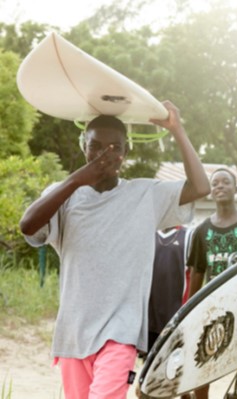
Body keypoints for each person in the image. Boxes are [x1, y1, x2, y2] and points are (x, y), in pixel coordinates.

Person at [19, 101, 210, 399]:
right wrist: (76, 180)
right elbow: (28, 226)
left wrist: (177, 129)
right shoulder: (64, 195)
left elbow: (200, 187)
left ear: (126, 151)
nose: (104, 155)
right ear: (83, 146)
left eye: (114, 147)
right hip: (73, 335)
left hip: (121, 333)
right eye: (95, 146)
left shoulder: (146, 194)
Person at [187, 167, 237, 399]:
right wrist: (191, 309)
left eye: (225, 182)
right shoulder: (202, 231)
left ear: (236, 189)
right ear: (210, 192)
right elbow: (198, 271)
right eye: (215, 183)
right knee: (204, 363)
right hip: (212, 309)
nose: (220, 186)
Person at [144, 226, 190, 360]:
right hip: (151, 319)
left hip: (174, 316)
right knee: (149, 366)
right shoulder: (149, 234)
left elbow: (193, 273)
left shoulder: (187, 235)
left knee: (172, 365)